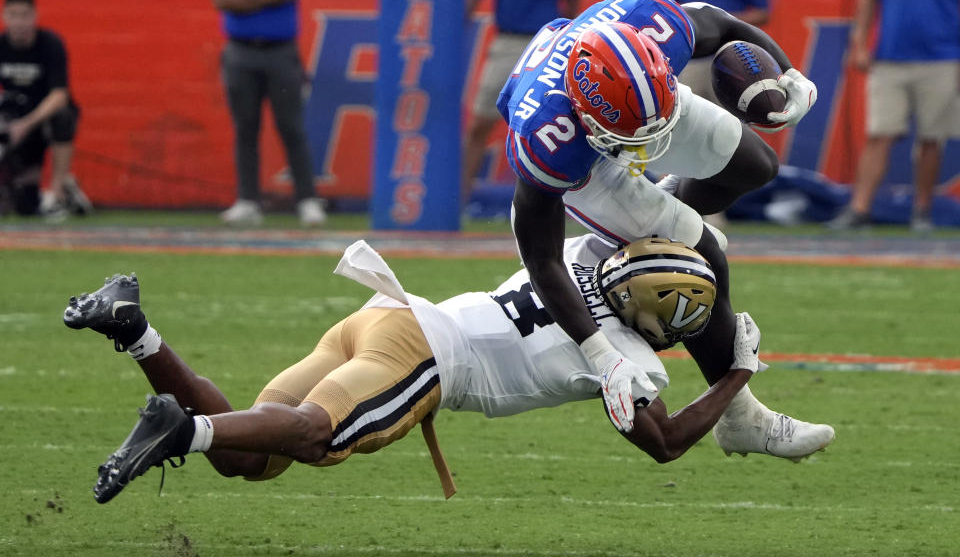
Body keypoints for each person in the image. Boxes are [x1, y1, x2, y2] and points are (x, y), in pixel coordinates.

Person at [63, 234, 833, 503]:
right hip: (426, 358)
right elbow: (661, 442)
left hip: (385, 315)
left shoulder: (577, 256)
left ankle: (136, 330)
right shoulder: (631, 356)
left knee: (248, 459)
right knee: (315, 437)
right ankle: (180, 426)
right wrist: (736, 373)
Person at [499, 0, 817, 433]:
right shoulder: (547, 140)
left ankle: (652, 222)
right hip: (589, 156)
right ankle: (741, 418)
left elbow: (722, 24)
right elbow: (541, 259)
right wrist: (602, 356)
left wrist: (787, 73)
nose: (652, 145)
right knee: (701, 256)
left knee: (756, 166)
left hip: (636, 102)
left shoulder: (650, 23)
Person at [829, 0, 960, 232]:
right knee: (878, 135)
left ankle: (922, 210)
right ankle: (860, 208)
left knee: (932, 138)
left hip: (942, 58)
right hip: (890, 56)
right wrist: (860, 42)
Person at [210, 0, 326, 226]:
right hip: (241, 50)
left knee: (292, 127)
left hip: (280, 51)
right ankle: (248, 200)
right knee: (245, 127)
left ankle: (307, 199)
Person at [463, 0, 581, 204]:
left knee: (549, 126)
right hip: (507, 41)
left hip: (547, 43)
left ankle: (549, 202)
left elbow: (574, 3)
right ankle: (459, 199)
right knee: (480, 122)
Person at [0, 0, 91, 219]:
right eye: (13, 15)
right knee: (26, 207)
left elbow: (59, 95)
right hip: (15, 119)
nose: (19, 22)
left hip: (42, 120)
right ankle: (57, 188)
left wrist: (25, 125)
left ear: (35, 16)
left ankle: (58, 193)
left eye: (24, 15)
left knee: (63, 117)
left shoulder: (50, 44)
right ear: (5, 16)